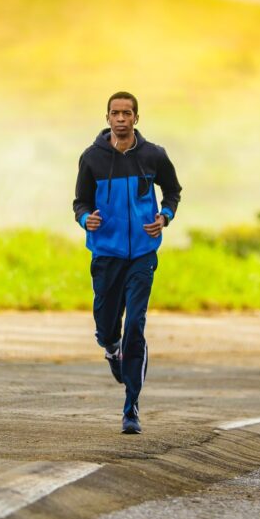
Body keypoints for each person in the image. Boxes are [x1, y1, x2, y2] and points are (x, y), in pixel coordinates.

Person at [72, 91, 182, 434]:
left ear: (136, 118)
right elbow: (79, 202)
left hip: (142, 255)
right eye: (115, 113)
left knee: (135, 324)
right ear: (107, 118)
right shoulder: (91, 158)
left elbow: (174, 192)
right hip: (106, 253)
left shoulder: (153, 156)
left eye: (127, 113)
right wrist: (85, 218)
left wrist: (164, 217)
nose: (121, 118)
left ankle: (131, 406)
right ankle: (111, 347)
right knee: (108, 328)